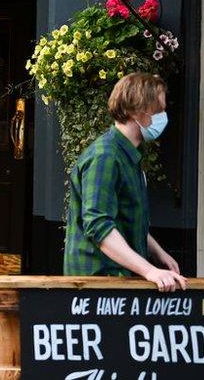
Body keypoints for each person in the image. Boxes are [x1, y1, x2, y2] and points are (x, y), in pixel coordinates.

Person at [63, 73, 187, 292]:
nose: (163, 116)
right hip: (98, 283)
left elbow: (127, 218)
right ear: (138, 111)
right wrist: (149, 270)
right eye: (159, 110)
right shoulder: (106, 157)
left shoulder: (127, 154)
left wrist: (158, 253)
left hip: (116, 280)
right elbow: (99, 226)